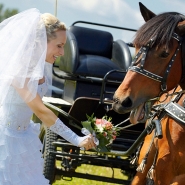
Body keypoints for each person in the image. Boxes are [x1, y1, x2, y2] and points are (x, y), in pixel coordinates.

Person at [0, 8, 95, 185]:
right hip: (5, 141)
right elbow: (40, 110)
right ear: (41, 41)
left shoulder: (42, 67)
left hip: (24, 137)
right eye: (59, 45)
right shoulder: (20, 69)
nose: (62, 52)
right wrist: (76, 139)